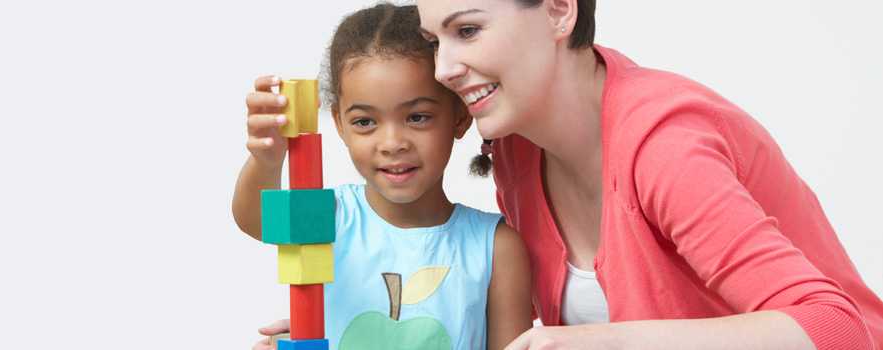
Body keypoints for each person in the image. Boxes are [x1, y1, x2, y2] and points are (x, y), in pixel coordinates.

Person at [410, 0, 883, 348]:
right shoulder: (518, 145)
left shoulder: (664, 146)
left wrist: (597, 342)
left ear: (558, 10)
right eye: (434, 43)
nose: (444, 69)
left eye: (467, 31)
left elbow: (838, 331)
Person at [234, 4, 532, 350]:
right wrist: (267, 159)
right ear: (341, 124)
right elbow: (254, 218)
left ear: (460, 117)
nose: (392, 144)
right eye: (365, 122)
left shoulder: (496, 248)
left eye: (417, 117)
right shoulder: (330, 216)